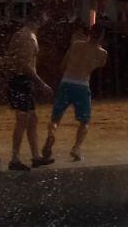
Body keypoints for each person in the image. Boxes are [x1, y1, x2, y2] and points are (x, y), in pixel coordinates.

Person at [43, 24, 109, 163]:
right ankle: (76, 148)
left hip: (66, 81)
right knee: (84, 121)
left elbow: (63, 64)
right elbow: (100, 65)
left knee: (56, 118)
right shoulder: (102, 52)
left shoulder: (76, 44)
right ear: (102, 36)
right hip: (82, 85)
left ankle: (51, 134)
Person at [6, 10, 54, 171]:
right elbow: (26, 65)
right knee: (22, 120)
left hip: (21, 80)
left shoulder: (22, 34)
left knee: (32, 119)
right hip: (21, 80)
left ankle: (35, 156)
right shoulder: (28, 37)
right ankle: (14, 158)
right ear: (37, 21)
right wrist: (41, 83)